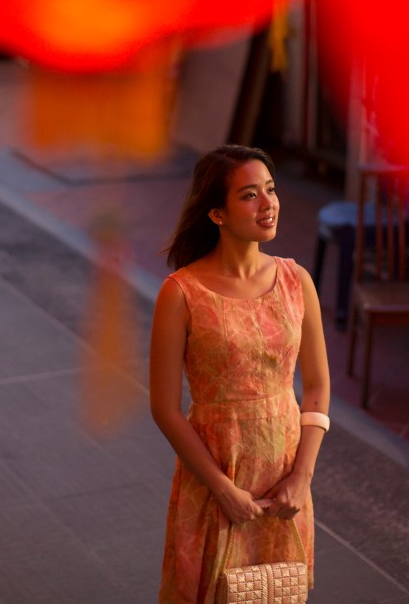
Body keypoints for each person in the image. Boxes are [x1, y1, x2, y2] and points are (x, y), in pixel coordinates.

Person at [150, 144, 331, 603]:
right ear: (217, 213)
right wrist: (223, 490)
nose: (268, 204)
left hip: (285, 481)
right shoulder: (181, 293)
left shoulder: (296, 281)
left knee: (276, 594)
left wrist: (301, 477)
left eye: (270, 190)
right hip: (216, 477)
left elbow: (316, 386)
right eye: (249, 195)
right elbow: (165, 409)